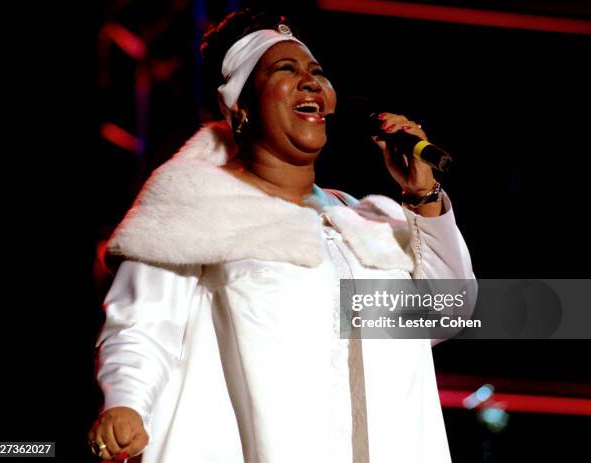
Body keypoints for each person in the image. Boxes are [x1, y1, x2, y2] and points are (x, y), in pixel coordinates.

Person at [88, 9, 474, 463]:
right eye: (285, 71)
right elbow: (143, 326)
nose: (311, 82)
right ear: (240, 107)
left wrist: (422, 194)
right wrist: (126, 403)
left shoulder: (362, 222)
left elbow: (447, 314)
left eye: (317, 73)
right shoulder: (194, 208)